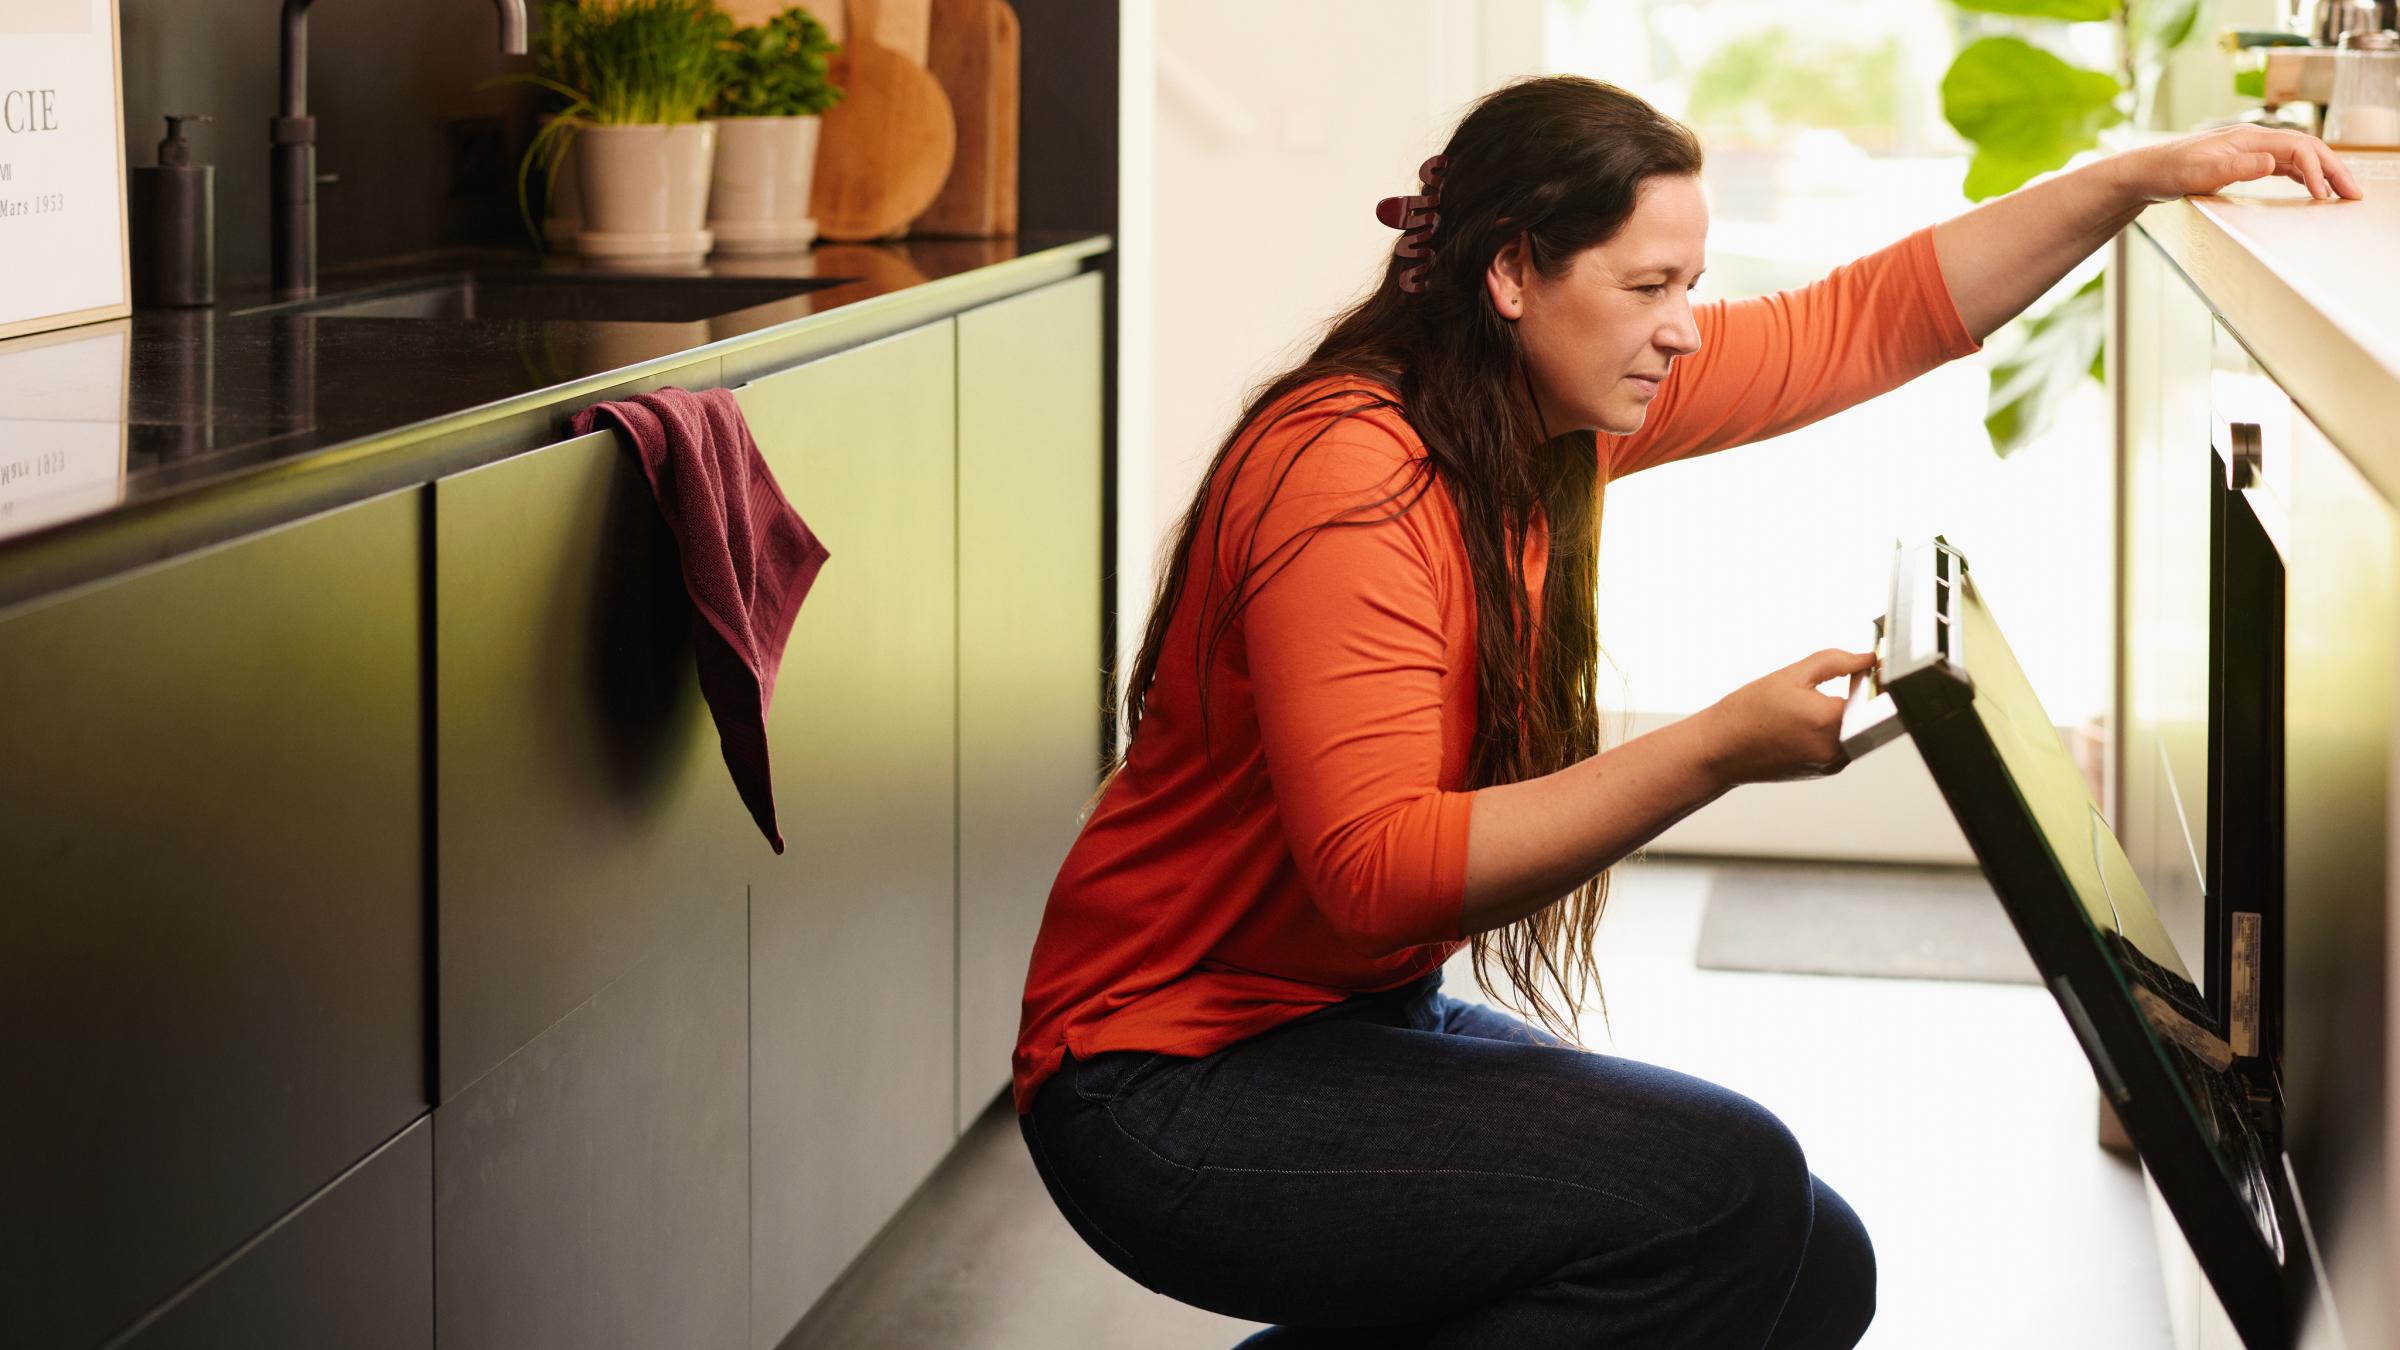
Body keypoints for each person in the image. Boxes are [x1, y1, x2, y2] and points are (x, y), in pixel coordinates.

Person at [1012, 76, 2359, 1349]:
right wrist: (1715, 749)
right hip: (1161, 1078)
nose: (1685, 327)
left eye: (1693, 286)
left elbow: (1869, 319)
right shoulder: (1352, 477)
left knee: (1814, 1262)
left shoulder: (1533, 415)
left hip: (1339, 1016)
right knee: (1729, 1191)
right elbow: (1378, 873)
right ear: (1512, 273)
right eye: (1649, 286)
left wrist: (2134, 178)